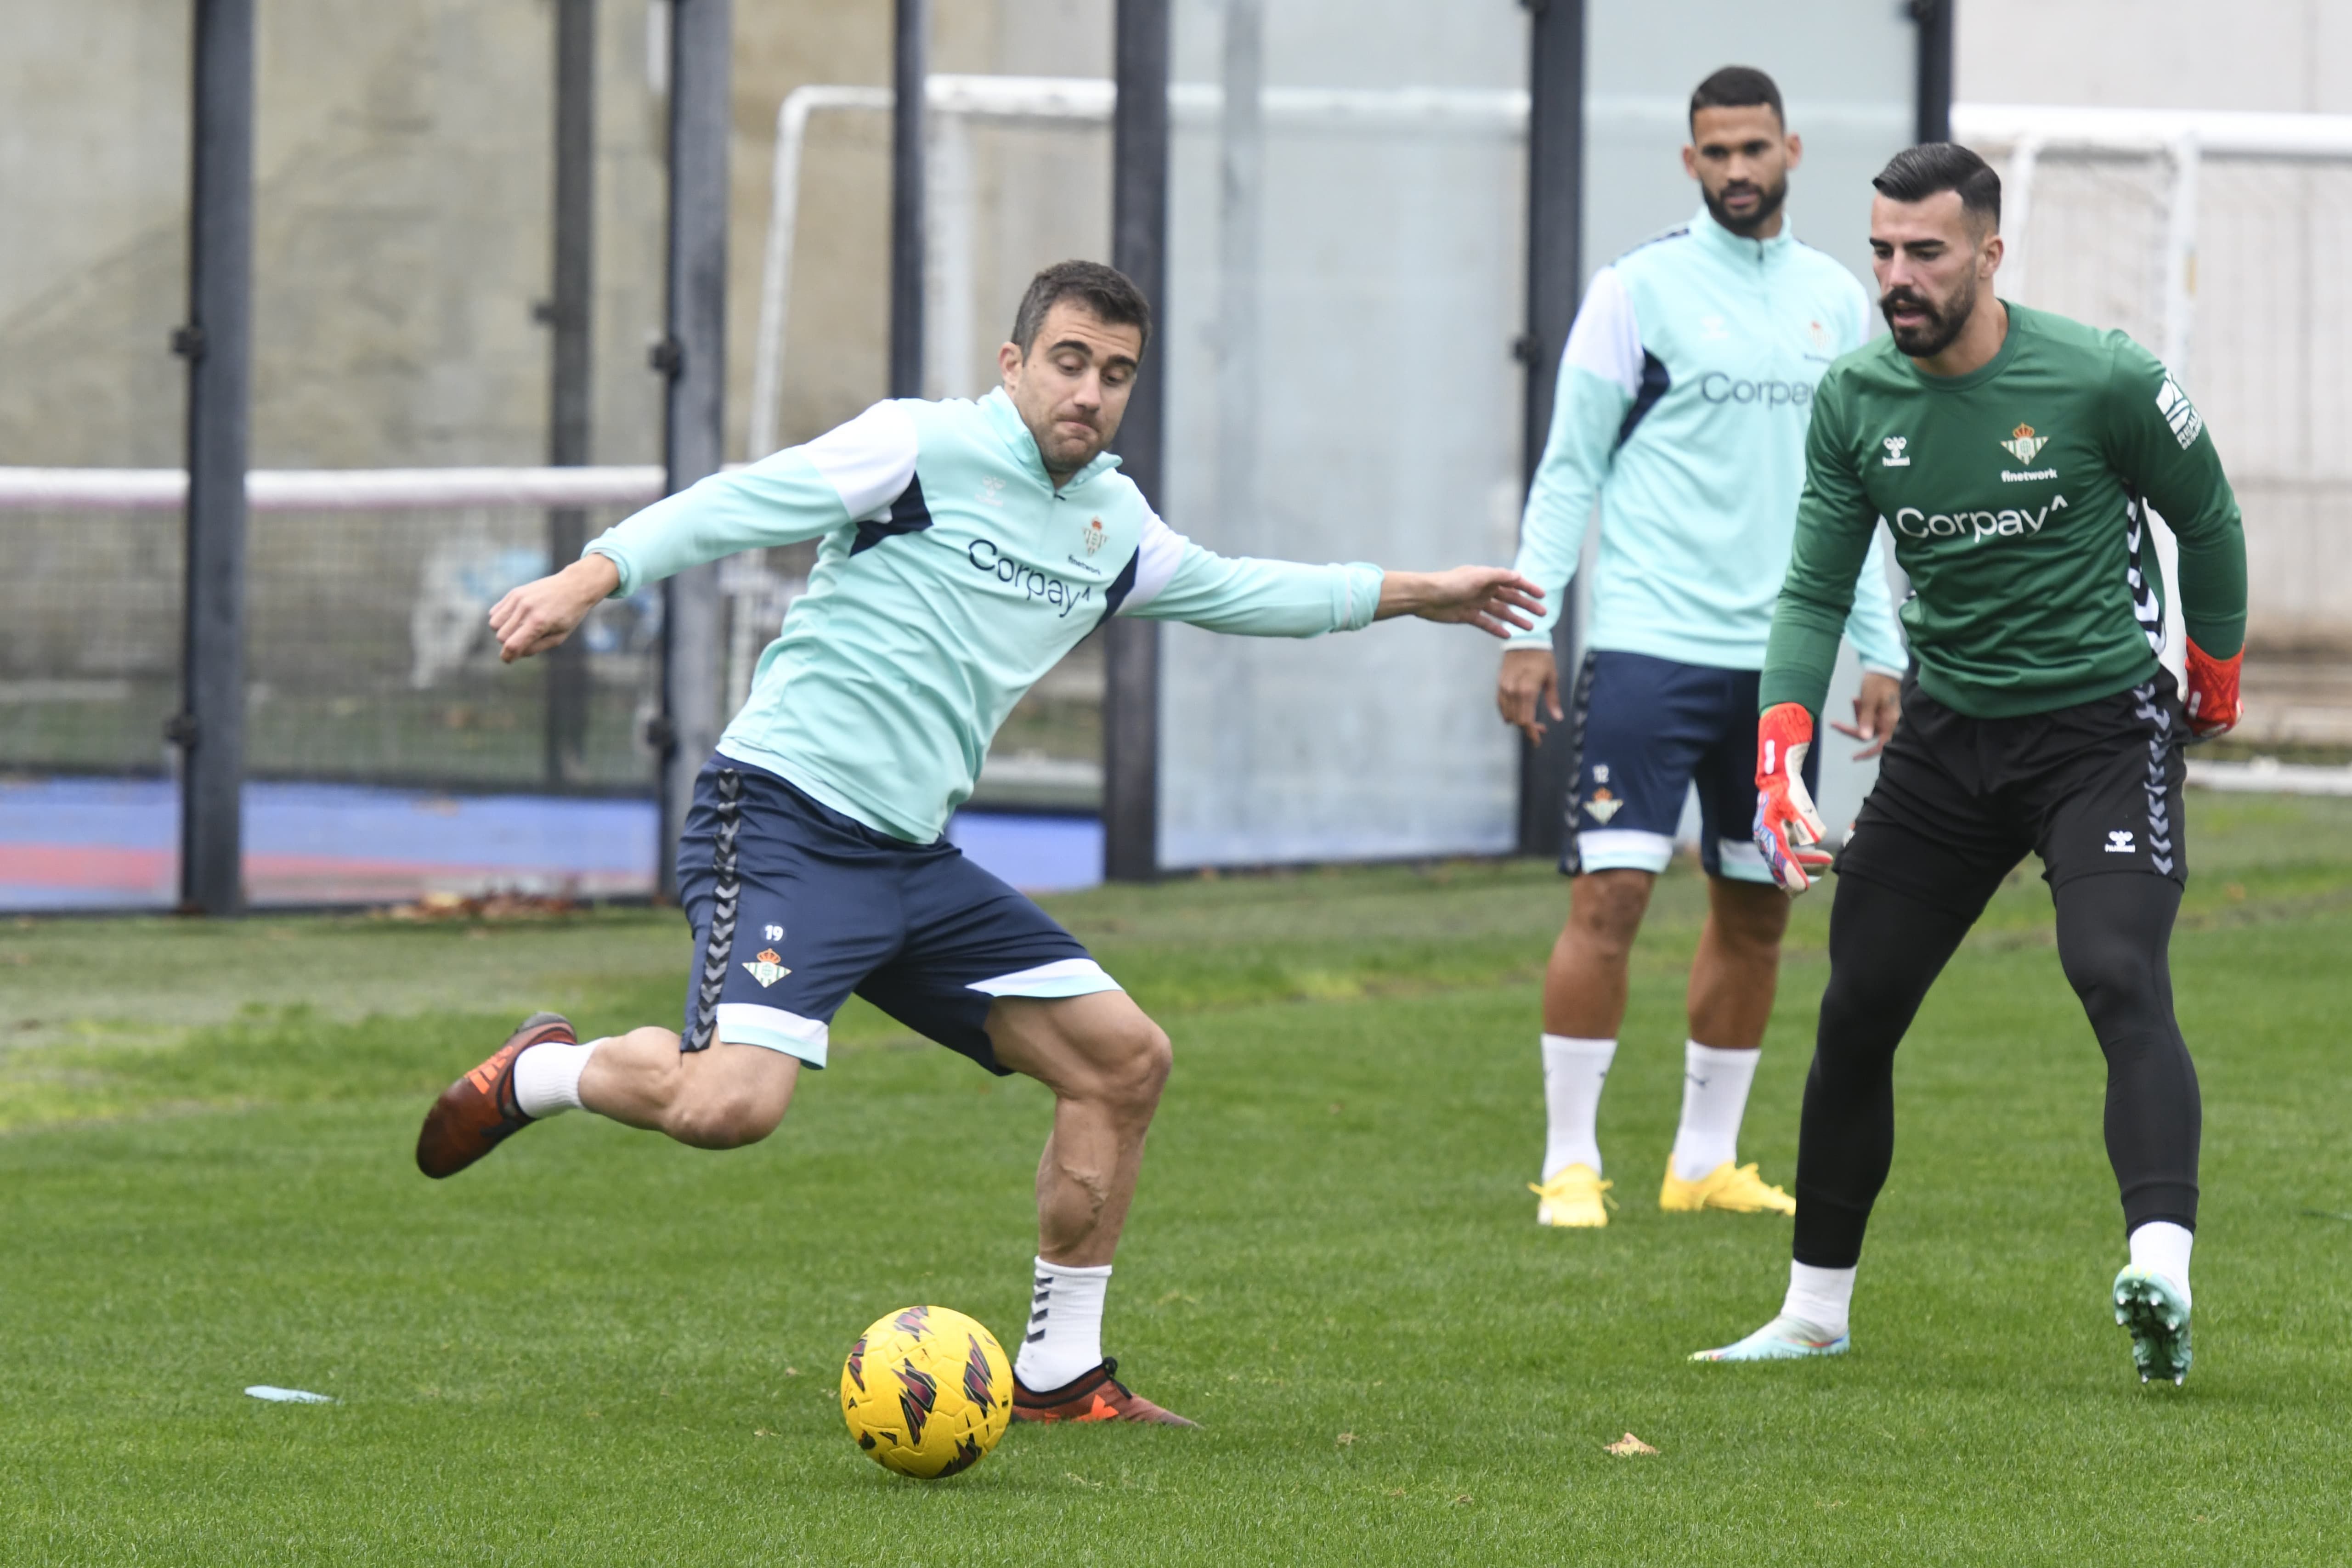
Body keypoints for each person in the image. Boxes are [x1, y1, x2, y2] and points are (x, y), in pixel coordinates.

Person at [413, 260, 1542, 1425]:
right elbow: (736, 502)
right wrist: (587, 576)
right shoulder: (916, 447)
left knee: (1123, 1061)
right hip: (785, 817)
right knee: (728, 1110)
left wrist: (1421, 592)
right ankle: (541, 1071)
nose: (1089, 393)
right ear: (1012, 365)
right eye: (1068, 362)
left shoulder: (1115, 526)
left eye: (1116, 375)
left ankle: (1061, 1373)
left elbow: (1246, 589)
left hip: (913, 865)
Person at [1696, 143, 2245, 1385]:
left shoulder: (2102, 376)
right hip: (1949, 741)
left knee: (2115, 971)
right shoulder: (1855, 400)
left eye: (1926, 252)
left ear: (1989, 253)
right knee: (1857, 1004)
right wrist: (1783, 738)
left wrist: (2216, 670)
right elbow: (1814, 587)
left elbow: (2207, 515)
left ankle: (2160, 1264)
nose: (1898, 275)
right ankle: (1813, 1310)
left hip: (2102, 729)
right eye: (1883, 249)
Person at [1500, 67, 1908, 1230]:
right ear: (1690, 163)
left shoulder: (1839, 298)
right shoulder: (1635, 290)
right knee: (1612, 897)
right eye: (1714, 153)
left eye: (1753, 150)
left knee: (1759, 908)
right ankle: (1570, 1163)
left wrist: (1877, 653)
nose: (1736, 170)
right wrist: (1531, 624)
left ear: (1791, 150)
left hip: (1782, 665)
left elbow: (1862, 491)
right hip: (1646, 647)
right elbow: (1568, 466)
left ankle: (1702, 1164)